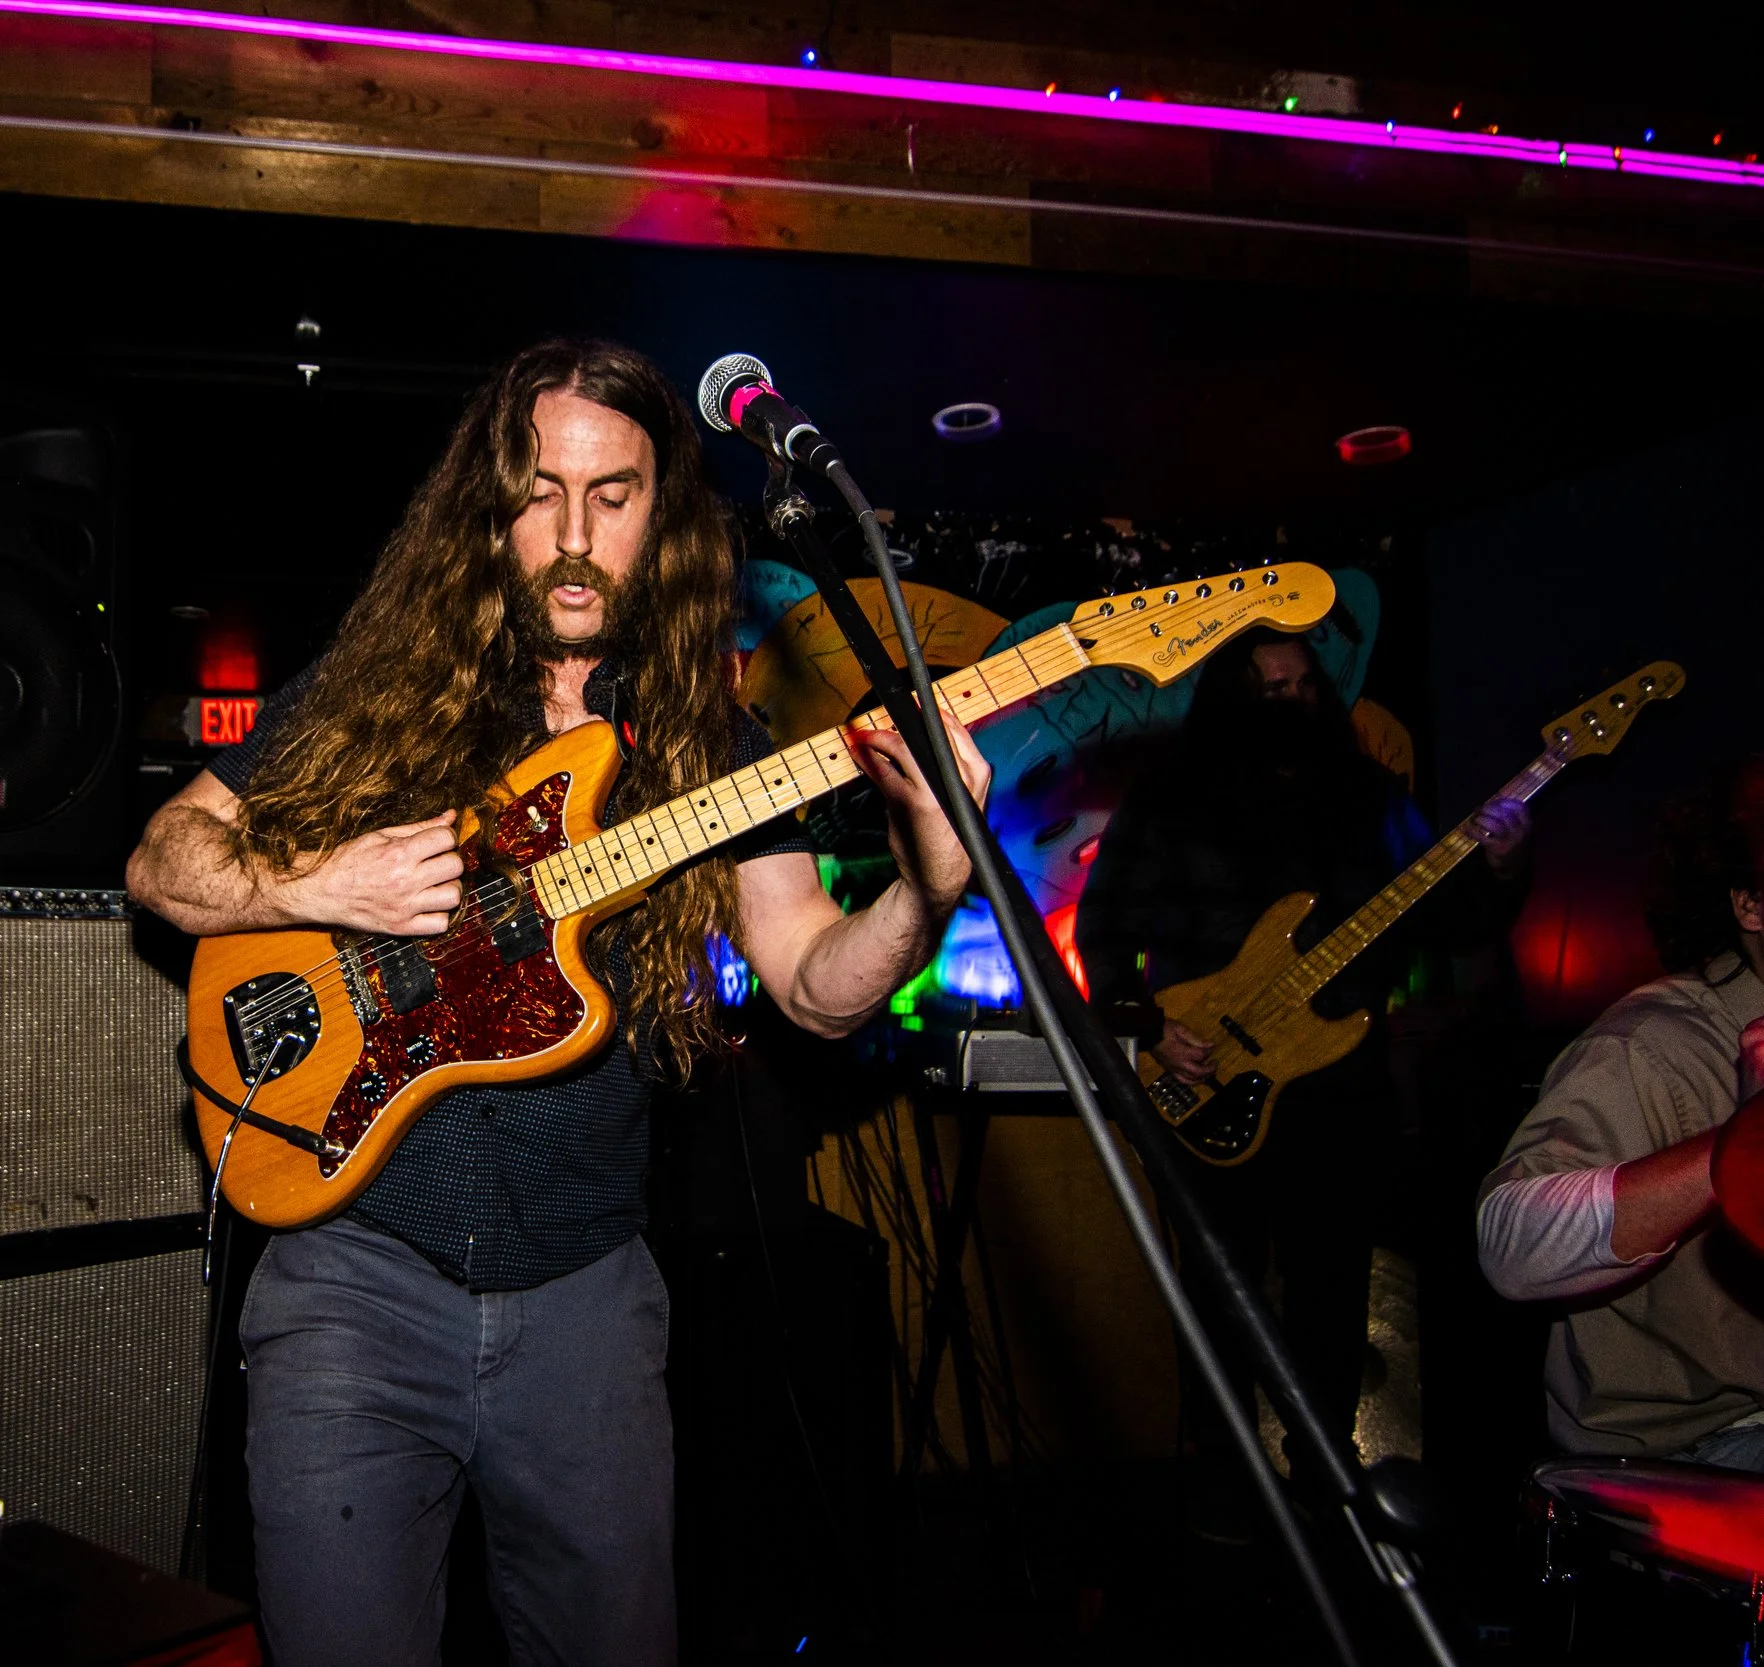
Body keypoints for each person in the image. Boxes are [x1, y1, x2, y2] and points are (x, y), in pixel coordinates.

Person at [125, 339, 990, 1667]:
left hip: (586, 1308)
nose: (575, 534)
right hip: (354, 1280)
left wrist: (927, 891)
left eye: (615, 493)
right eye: (540, 491)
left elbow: (817, 983)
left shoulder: (715, 748)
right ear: (491, 506)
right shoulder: (382, 689)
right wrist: (323, 879)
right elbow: (164, 862)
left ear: (667, 512)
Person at [1075, 626, 1530, 1507]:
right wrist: (1150, 1024)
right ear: (1231, 703)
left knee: (1334, 1292)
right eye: (1269, 688)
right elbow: (1105, 934)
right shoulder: (1170, 801)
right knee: (1218, 1294)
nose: (1290, 702)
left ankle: (1328, 1489)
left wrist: (1507, 865)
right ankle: (1222, 1487)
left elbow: (1458, 920)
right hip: (1206, 1075)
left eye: (1302, 685)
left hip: (1340, 1087)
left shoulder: (1370, 801)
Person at [1476, 756, 1764, 1468]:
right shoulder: (1652, 1045)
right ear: (1750, 904)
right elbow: (1508, 1242)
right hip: (1697, 1450)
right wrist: (1740, 1145)